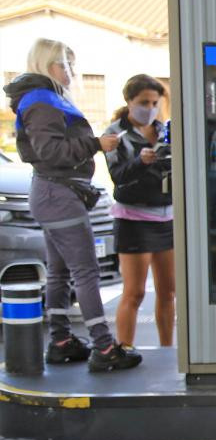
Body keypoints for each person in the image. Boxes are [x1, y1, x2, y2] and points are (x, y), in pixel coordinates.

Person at [1, 39, 141, 371]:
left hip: (53, 193)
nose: (72, 72)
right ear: (48, 65)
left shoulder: (42, 99)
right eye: (66, 65)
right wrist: (96, 144)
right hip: (58, 195)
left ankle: (61, 342)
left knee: (61, 271)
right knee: (85, 270)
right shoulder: (44, 101)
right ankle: (104, 349)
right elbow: (50, 152)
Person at [104, 74, 175, 349]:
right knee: (134, 293)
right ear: (129, 101)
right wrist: (140, 162)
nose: (150, 107)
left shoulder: (164, 130)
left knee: (168, 292)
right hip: (133, 219)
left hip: (166, 217)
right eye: (144, 102)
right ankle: (124, 349)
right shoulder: (115, 134)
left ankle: (168, 350)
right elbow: (117, 176)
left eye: (155, 102)